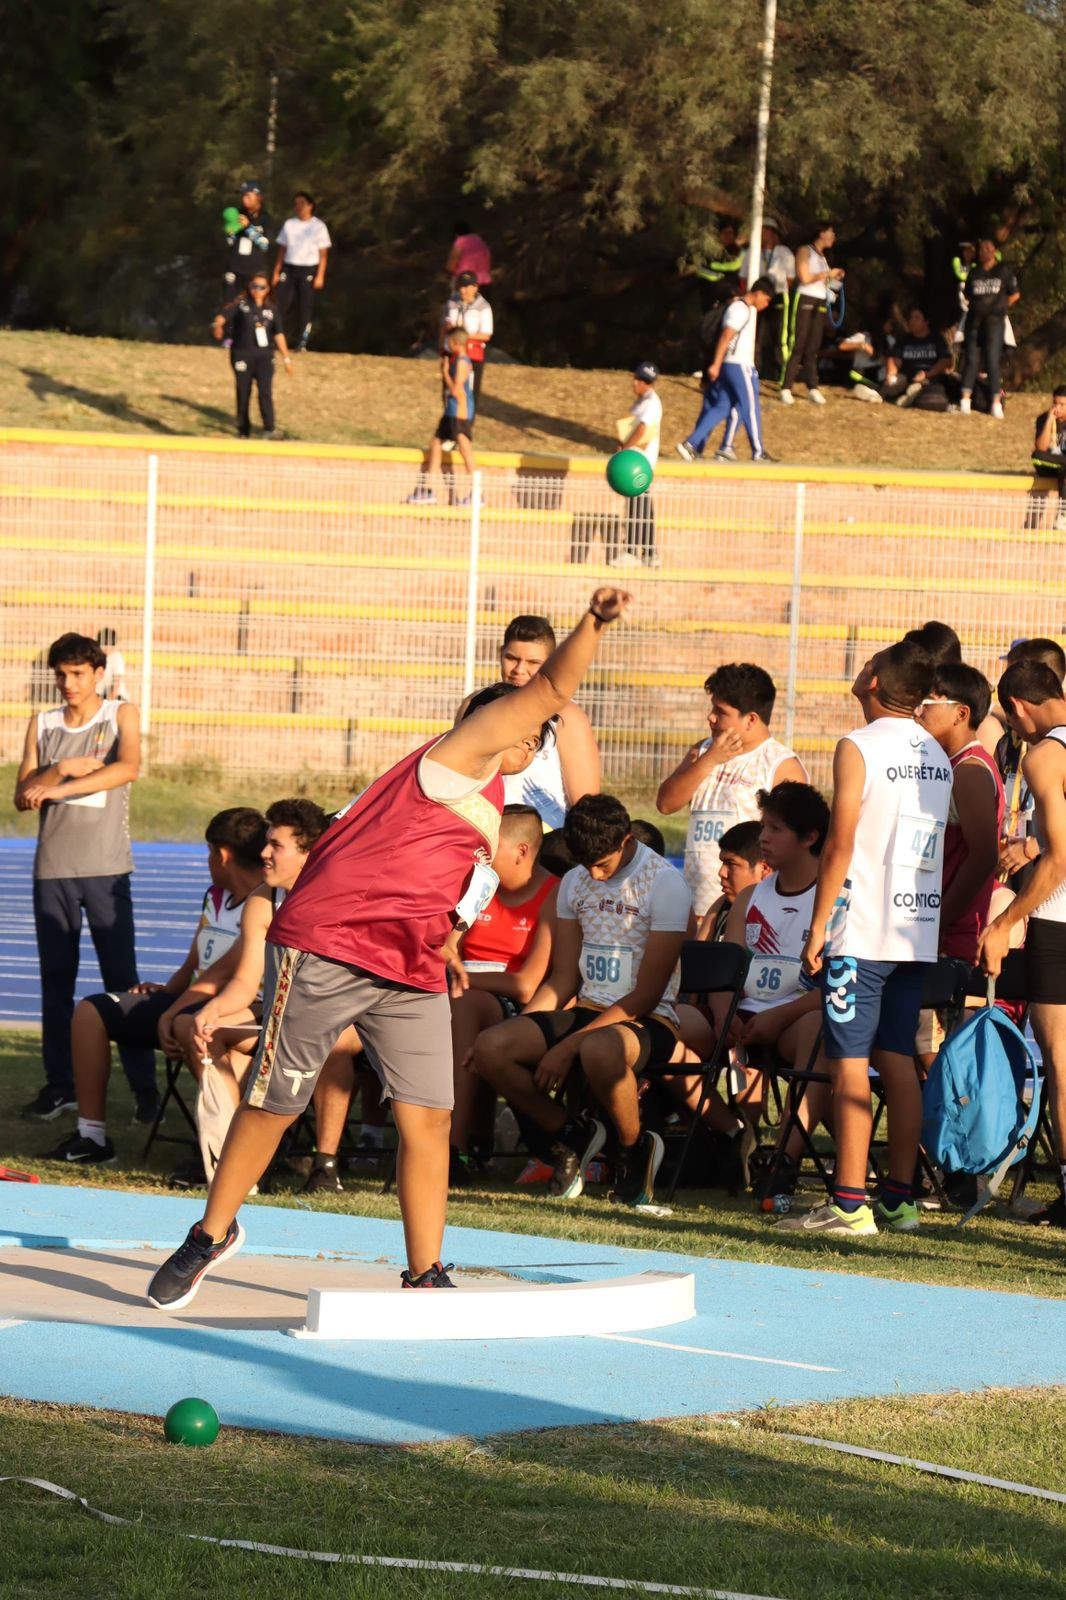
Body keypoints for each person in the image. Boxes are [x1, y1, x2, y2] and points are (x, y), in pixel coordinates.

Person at [146, 586, 633, 1309]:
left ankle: (425, 1269)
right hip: (328, 946)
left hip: (407, 967)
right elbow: (554, 687)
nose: (527, 735)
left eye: (533, 735)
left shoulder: (493, 810)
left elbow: (437, 881)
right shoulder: (456, 756)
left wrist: (446, 941)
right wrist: (593, 623)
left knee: (428, 1114)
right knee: (276, 1102)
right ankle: (212, 1234)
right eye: (517, 722)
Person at [777, 639, 952, 1237]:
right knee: (897, 1059)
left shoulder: (858, 745)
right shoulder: (937, 750)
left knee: (848, 1061)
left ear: (874, 678)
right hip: (913, 929)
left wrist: (818, 926)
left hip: (864, 928)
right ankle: (899, 1201)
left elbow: (841, 843)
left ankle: (850, 1204)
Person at [472, 794, 691, 1208]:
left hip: (649, 1018)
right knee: (490, 1048)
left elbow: (646, 994)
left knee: (596, 1047)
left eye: (603, 864)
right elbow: (564, 978)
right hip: (587, 1010)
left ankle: (632, 1149)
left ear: (626, 841)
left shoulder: (665, 884)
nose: (593, 873)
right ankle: (574, 1136)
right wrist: (516, 1028)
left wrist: (568, 1045)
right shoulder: (574, 881)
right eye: (585, 863)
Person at [42, 808, 267, 1165]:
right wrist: (165, 993)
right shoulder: (215, 896)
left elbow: (230, 976)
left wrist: (177, 1008)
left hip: (234, 1008)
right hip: (191, 998)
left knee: (194, 1026)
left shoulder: (267, 904)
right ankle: (92, 1138)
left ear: (221, 854)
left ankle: (226, 1149)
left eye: (209, 852)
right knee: (91, 1011)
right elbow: (197, 963)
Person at [180, 801, 355, 1194]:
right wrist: (212, 1009)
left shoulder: (342, 897)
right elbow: (245, 982)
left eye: (275, 845)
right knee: (208, 1031)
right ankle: (238, 1157)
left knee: (335, 1039)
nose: (263, 853)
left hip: (347, 1017)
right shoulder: (263, 900)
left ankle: (325, 1166)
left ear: (308, 852)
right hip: (282, 1015)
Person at [14, 632, 144, 1121]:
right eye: (61, 675)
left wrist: (59, 787)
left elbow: (126, 769)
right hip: (53, 872)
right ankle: (59, 1085)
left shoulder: (119, 715)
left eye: (77, 674)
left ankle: (142, 1089)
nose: (68, 684)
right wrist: (60, 769)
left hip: (107, 869)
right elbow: (23, 793)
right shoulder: (43, 724)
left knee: (122, 982)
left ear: (97, 674)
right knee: (55, 983)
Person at [979, 658, 1066, 1228]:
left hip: (1059, 921)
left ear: (1016, 708)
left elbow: (1058, 859)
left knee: (1060, 1060)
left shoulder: (1044, 754)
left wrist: (1007, 921)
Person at [711, 782, 830, 1189]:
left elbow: (835, 990)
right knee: (679, 1025)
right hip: (744, 1018)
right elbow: (725, 972)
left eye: (776, 829)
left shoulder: (834, 900)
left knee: (820, 1031)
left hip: (796, 1019)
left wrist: (780, 1017)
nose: (763, 837)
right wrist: (722, 1015)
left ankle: (781, 1163)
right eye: (764, 826)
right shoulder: (751, 897)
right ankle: (731, 1135)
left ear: (810, 837)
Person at [446, 804, 558, 1177]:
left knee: (464, 1004)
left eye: (488, 848)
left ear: (522, 851)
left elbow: (527, 985)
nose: (479, 857)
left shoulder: (553, 895)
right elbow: (449, 949)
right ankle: (460, 1143)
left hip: (515, 1007)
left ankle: (453, 1150)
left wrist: (462, 977)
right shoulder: (477, 886)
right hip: (461, 994)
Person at [656, 662, 807, 918]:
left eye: (720, 711)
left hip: (753, 908)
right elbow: (666, 804)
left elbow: (797, 844)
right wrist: (710, 759)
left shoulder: (781, 765)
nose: (710, 717)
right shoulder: (702, 752)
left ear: (750, 720)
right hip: (697, 902)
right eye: (712, 707)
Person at [455, 614, 601, 829]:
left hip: (543, 846)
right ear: (500, 654)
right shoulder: (476, 705)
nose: (519, 670)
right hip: (482, 837)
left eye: (533, 662)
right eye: (512, 658)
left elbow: (586, 804)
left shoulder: (568, 716)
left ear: (551, 663)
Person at [675, 278, 775, 464]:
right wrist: (716, 364)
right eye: (767, 299)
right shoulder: (741, 309)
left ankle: (692, 444)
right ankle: (758, 451)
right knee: (751, 407)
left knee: (723, 406)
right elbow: (726, 336)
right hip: (739, 365)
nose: (766, 304)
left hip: (730, 365)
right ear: (759, 293)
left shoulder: (740, 308)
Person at [212, 275, 292, 440]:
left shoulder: (272, 310)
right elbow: (222, 316)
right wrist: (217, 325)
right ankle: (243, 430)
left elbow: (278, 334)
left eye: (262, 287)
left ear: (268, 290)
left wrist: (286, 358)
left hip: (264, 356)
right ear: (250, 287)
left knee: (265, 391)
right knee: (243, 390)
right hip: (242, 354)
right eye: (254, 286)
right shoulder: (241, 305)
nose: (257, 290)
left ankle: (269, 429)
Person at [406, 328, 476, 504]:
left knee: (464, 449)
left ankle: (477, 492)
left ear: (455, 343)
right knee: (436, 444)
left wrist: (445, 372)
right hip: (450, 412)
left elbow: (455, 389)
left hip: (459, 412)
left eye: (448, 342)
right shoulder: (457, 360)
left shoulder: (462, 362)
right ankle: (427, 489)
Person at [780, 223, 844, 406]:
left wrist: (834, 278)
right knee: (798, 342)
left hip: (820, 300)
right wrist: (826, 274)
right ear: (821, 233)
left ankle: (812, 387)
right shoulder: (804, 250)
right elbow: (805, 277)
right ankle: (786, 387)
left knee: (814, 345)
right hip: (805, 298)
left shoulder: (823, 257)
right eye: (831, 232)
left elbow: (822, 279)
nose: (833, 236)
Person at [959, 239, 1019, 420]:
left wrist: (1000, 308)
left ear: (994, 251)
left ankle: (995, 402)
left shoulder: (1003, 271)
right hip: (974, 322)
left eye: (988, 249)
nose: (984, 252)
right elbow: (967, 295)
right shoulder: (975, 272)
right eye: (981, 249)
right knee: (971, 359)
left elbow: (1015, 294)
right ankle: (964, 400)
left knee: (993, 361)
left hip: (995, 322)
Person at [610, 362, 662, 568]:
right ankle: (649, 553)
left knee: (636, 508)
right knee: (642, 507)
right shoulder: (643, 401)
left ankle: (632, 552)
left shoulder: (651, 403)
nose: (634, 383)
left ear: (645, 382)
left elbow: (642, 430)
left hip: (640, 463)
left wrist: (625, 449)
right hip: (635, 461)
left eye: (638, 380)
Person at [272, 192, 331, 352]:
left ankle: (301, 342)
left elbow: (323, 254)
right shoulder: (289, 224)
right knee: (280, 305)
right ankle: (274, 339)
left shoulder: (318, 226)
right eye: (296, 203)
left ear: (310, 205)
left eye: (302, 203)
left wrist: (320, 275)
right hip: (289, 267)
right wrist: (276, 271)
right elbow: (282, 250)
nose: (298, 207)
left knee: (305, 306)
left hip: (308, 268)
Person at [696, 820, 770, 942]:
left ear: (764, 869)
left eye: (731, 863)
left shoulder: (789, 911)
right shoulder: (721, 906)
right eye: (723, 863)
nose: (722, 872)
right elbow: (697, 956)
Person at [740, 220, 795, 381]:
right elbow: (743, 276)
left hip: (777, 296)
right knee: (755, 335)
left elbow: (791, 278)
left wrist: (778, 291)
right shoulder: (753, 251)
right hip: (756, 297)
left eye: (765, 230)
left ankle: (782, 375)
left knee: (779, 336)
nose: (763, 234)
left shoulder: (784, 252)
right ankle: (752, 370)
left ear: (773, 233)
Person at [882, 309, 957, 410]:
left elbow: (945, 360)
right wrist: (891, 374)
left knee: (932, 396)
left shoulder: (937, 338)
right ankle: (900, 395)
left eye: (917, 318)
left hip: (930, 377)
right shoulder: (904, 339)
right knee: (890, 387)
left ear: (926, 322)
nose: (912, 321)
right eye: (911, 318)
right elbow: (894, 359)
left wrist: (928, 374)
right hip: (906, 377)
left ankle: (910, 397)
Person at [442, 271, 494, 410]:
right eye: (461, 286)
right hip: (451, 352)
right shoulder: (452, 302)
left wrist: (462, 334)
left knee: (468, 391)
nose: (462, 290)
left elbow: (486, 335)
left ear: (475, 287)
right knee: (448, 390)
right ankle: (449, 421)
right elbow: (445, 324)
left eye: (466, 287)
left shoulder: (483, 307)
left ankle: (465, 424)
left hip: (471, 355)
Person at [223, 181, 277, 300]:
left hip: (255, 273)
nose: (244, 199)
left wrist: (248, 227)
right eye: (243, 195)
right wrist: (230, 231)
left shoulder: (265, 218)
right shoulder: (237, 214)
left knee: (252, 309)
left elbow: (265, 245)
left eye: (247, 195)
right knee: (230, 306)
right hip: (235, 270)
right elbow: (229, 242)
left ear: (258, 197)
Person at [1030, 387, 1066, 533]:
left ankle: (1063, 517)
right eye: (1054, 403)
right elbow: (1041, 447)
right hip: (1047, 465)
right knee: (1037, 455)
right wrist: (1050, 421)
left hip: (1063, 469)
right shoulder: (1043, 419)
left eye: (1062, 405)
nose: (1057, 408)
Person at [694, 221, 743, 312]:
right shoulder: (710, 252)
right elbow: (702, 270)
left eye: (730, 233)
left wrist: (715, 270)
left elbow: (735, 267)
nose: (727, 236)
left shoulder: (740, 252)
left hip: (732, 301)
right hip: (710, 299)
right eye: (724, 232)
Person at [446, 218, 492, 298]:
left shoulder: (460, 242)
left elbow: (451, 265)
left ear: (456, 233)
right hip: (484, 281)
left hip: (466, 283)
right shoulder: (478, 239)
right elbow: (488, 256)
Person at [95, 628, 128, 701]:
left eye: (110, 645)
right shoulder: (97, 657)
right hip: (100, 694)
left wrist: (109, 700)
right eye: (104, 644)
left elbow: (117, 681)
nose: (107, 648)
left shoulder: (116, 658)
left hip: (116, 696)